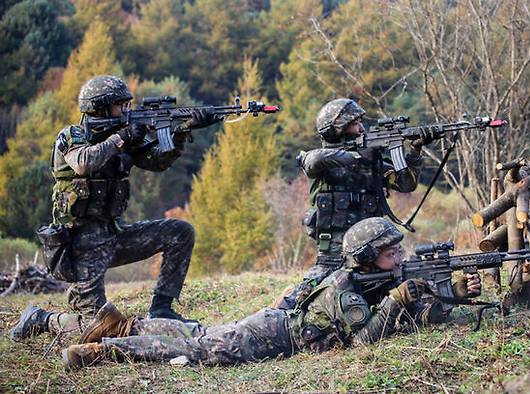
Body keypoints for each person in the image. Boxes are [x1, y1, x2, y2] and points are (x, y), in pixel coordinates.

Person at [61, 217, 481, 370]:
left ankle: (124, 324)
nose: (400, 258)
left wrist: (454, 293)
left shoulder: (373, 277)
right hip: (271, 335)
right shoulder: (347, 290)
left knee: (201, 334)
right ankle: (110, 348)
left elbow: (412, 317)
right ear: (369, 258)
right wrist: (397, 301)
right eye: (392, 253)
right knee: (198, 351)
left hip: (277, 322)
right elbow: (365, 339)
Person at [11, 75, 215, 342]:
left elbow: (156, 162)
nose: (126, 111)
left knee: (180, 232)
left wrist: (180, 133)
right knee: (98, 328)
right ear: (100, 107)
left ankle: (162, 309)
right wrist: (122, 137)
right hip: (81, 246)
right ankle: (42, 319)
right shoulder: (73, 135)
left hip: (114, 236)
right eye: (121, 105)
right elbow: (83, 162)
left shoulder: (124, 135)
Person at [274, 98, 432, 309]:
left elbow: (406, 184)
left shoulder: (372, 166)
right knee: (300, 302)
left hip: (372, 257)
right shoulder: (320, 162)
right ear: (336, 130)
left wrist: (415, 152)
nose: (361, 129)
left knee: (412, 294)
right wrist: (357, 155)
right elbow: (311, 161)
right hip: (333, 257)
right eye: (356, 124)